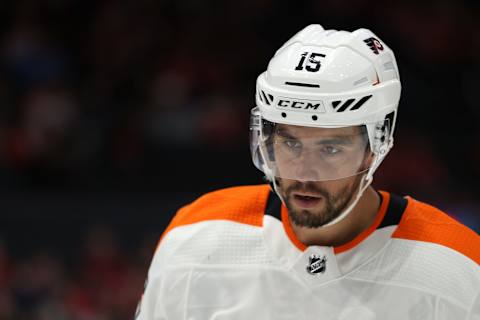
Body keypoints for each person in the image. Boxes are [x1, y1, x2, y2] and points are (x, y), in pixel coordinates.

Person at [135, 25, 480, 319]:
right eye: (290, 144)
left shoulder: (458, 267)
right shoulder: (196, 237)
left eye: (330, 149)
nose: (305, 172)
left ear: (377, 143)